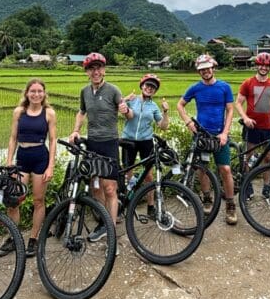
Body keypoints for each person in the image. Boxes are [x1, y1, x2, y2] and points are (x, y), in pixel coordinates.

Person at [69, 52, 129, 244]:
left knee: (110, 188)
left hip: (109, 143)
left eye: (99, 68)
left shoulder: (113, 90)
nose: (95, 72)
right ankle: (104, 222)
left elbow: (128, 114)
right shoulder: (84, 92)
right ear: (86, 72)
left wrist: (126, 110)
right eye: (91, 68)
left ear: (104, 70)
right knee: (95, 187)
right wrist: (75, 130)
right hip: (92, 144)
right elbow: (81, 112)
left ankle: (111, 231)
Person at [0, 78, 57, 258]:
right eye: (33, 91)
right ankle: (13, 237)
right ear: (27, 93)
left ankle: (34, 239)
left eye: (39, 91)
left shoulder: (49, 113)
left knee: (38, 200)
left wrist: (51, 166)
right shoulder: (19, 112)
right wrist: (9, 162)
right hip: (22, 158)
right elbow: (13, 138)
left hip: (40, 158)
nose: (36, 94)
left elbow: (53, 140)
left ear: (44, 94)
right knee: (14, 200)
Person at [176, 54, 237, 225]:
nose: (205, 72)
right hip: (201, 135)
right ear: (199, 72)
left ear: (213, 68)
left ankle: (230, 205)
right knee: (202, 169)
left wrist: (225, 133)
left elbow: (230, 110)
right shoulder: (195, 88)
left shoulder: (224, 87)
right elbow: (180, 105)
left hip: (219, 135)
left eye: (207, 68)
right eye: (202, 70)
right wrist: (188, 122)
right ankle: (207, 198)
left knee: (225, 169)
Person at [234, 52, 270, 199]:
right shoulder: (248, 83)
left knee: (268, 158)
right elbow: (238, 103)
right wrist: (245, 118)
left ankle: (266, 186)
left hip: (269, 127)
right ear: (257, 65)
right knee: (248, 157)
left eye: (267, 66)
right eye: (261, 65)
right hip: (252, 127)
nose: (264, 68)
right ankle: (247, 185)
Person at [121, 73, 170, 217]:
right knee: (127, 172)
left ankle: (151, 206)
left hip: (146, 141)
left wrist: (165, 112)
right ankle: (127, 203)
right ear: (142, 86)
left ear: (155, 91)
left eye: (153, 87)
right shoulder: (132, 100)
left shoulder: (153, 106)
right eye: (147, 85)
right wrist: (125, 99)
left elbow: (163, 126)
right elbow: (118, 107)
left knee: (148, 174)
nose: (150, 88)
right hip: (128, 140)